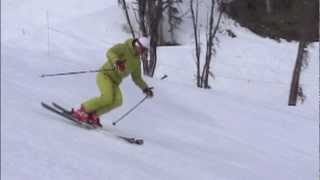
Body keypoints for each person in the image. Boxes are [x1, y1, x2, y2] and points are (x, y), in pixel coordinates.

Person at [72, 36, 154, 127]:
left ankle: (93, 115)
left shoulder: (137, 62)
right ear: (137, 45)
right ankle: (82, 111)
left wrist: (145, 88)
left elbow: (137, 78)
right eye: (143, 50)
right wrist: (117, 61)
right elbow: (110, 52)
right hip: (105, 75)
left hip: (115, 82)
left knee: (118, 101)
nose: (143, 52)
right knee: (107, 98)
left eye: (145, 51)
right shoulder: (124, 47)